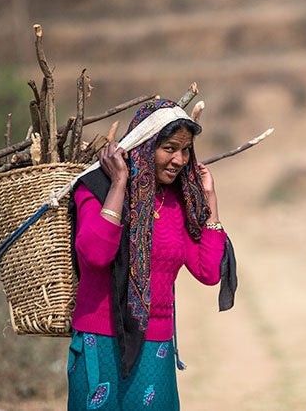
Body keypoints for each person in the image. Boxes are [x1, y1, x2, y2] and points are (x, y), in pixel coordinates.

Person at [66, 98, 236, 410]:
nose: (179, 159)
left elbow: (210, 272)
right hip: (99, 340)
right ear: (145, 146)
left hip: (155, 347)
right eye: (169, 148)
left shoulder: (176, 202)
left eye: (185, 150)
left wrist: (209, 197)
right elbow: (96, 255)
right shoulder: (94, 189)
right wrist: (119, 183)